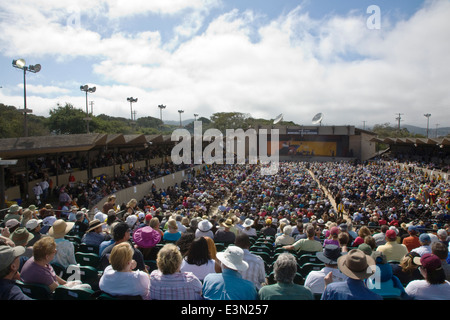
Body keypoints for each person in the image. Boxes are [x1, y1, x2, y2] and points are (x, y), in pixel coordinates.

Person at [21, 237, 90, 293]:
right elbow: (57, 289)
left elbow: (52, 273)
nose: (56, 251)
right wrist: (68, 285)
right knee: (86, 287)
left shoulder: (37, 259)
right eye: (54, 251)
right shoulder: (43, 274)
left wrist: (65, 282)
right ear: (47, 256)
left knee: (78, 282)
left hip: (52, 287)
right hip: (53, 293)